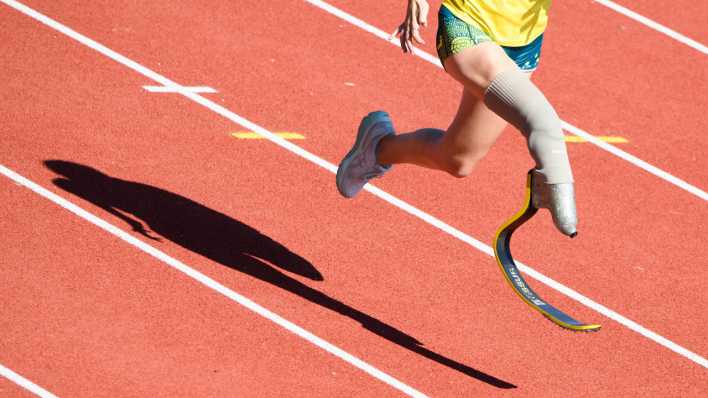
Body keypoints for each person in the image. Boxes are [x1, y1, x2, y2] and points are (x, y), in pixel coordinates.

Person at [336, 0, 578, 237]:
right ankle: (563, 202)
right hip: (467, 24)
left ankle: (377, 149)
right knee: (542, 121)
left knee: (458, 159)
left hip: (523, 44)